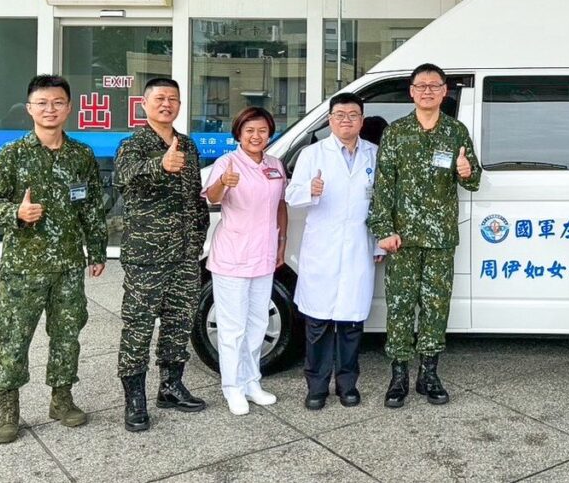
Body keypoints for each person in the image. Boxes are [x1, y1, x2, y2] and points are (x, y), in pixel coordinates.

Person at [0, 75, 106, 444]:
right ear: (29, 108)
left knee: (67, 335)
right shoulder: (12, 154)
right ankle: (8, 411)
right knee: (13, 338)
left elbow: (91, 207)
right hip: (23, 267)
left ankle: (62, 400)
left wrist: (97, 250)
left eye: (57, 102)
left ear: (69, 108)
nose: (50, 109)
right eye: (42, 103)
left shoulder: (81, 155)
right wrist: (16, 213)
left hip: (68, 266)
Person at [368, 62, 481, 408]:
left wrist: (466, 171)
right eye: (421, 85)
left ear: (444, 91)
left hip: (440, 238)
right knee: (400, 306)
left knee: (435, 306)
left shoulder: (455, 131)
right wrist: (383, 230)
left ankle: (428, 374)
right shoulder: (396, 132)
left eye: (434, 85)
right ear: (412, 92)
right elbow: (383, 185)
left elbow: (473, 179)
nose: (428, 91)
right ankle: (399, 375)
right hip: (401, 238)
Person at [115, 77, 210, 432]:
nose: (166, 104)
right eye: (159, 98)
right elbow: (124, 177)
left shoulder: (188, 145)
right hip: (148, 256)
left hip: (185, 254)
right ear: (144, 104)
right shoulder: (133, 144)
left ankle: (170, 386)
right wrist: (160, 164)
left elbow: (194, 195)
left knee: (179, 322)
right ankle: (134, 398)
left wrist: (198, 236)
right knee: (138, 327)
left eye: (173, 98)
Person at [286, 93, 383, 410]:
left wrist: (379, 242)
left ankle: (347, 385)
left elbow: (382, 203)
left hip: (359, 244)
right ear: (329, 120)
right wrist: (309, 189)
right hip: (323, 247)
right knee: (318, 323)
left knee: (351, 324)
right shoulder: (313, 154)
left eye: (353, 115)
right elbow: (291, 195)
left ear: (362, 120)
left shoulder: (374, 154)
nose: (346, 120)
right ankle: (316, 387)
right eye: (340, 115)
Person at [202, 107, 288, 416]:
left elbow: (280, 205)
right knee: (233, 327)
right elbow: (212, 197)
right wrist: (223, 182)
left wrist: (282, 241)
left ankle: (252, 382)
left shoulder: (275, 165)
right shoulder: (227, 162)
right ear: (238, 133)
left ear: (270, 133)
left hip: (264, 254)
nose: (256, 136)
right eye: (249, 130)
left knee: (257, 323)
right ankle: (232, 387)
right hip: (233, 257)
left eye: (262, 130)